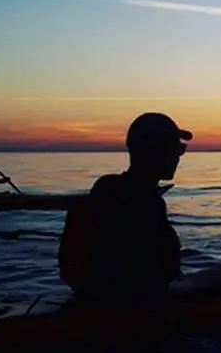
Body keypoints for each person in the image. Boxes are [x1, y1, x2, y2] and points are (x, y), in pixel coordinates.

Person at [58, 112, 193, 305]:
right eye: (176, 149)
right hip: (123, 309)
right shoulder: (136, 201)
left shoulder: (116, 191)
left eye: (181, 150)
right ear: (153, 151)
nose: (178, 157)